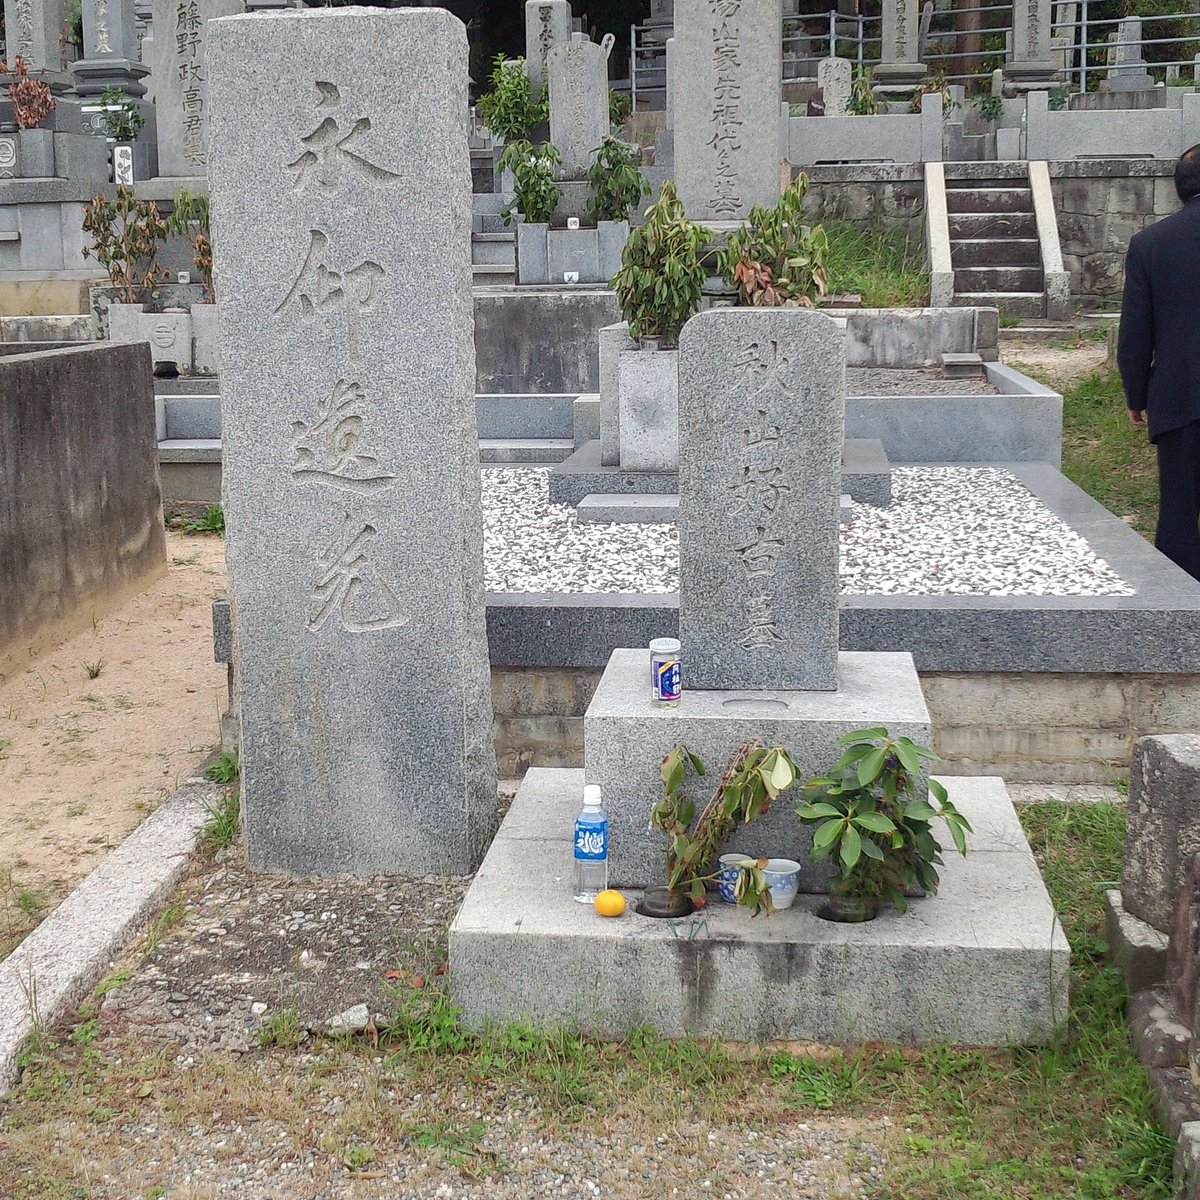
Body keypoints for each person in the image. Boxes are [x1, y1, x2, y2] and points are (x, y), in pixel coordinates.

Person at [1118, 142, 1200, 582]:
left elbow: (1135, 331)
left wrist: (1137, 393)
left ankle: (1179, 610)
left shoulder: (1150, 244)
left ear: (1179, 190)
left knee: (1179, 514)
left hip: (1179, 395)